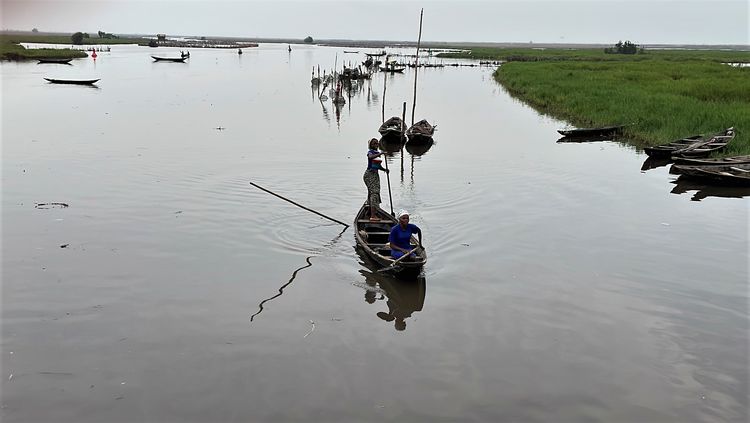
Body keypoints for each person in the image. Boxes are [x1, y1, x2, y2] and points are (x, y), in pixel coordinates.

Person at [363, 138, 389, 221]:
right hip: (369, 174)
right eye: (374, 143)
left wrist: (384, 169)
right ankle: (373, 216)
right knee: (374, 193)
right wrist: (381, 153)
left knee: (373, 193)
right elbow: (370, 157)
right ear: (371, 145)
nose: (376, 145)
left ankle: (370, 211)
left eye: (377, 143)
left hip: (375, 175)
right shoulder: (370, 152)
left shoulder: (377, 153)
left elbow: (377, 166)